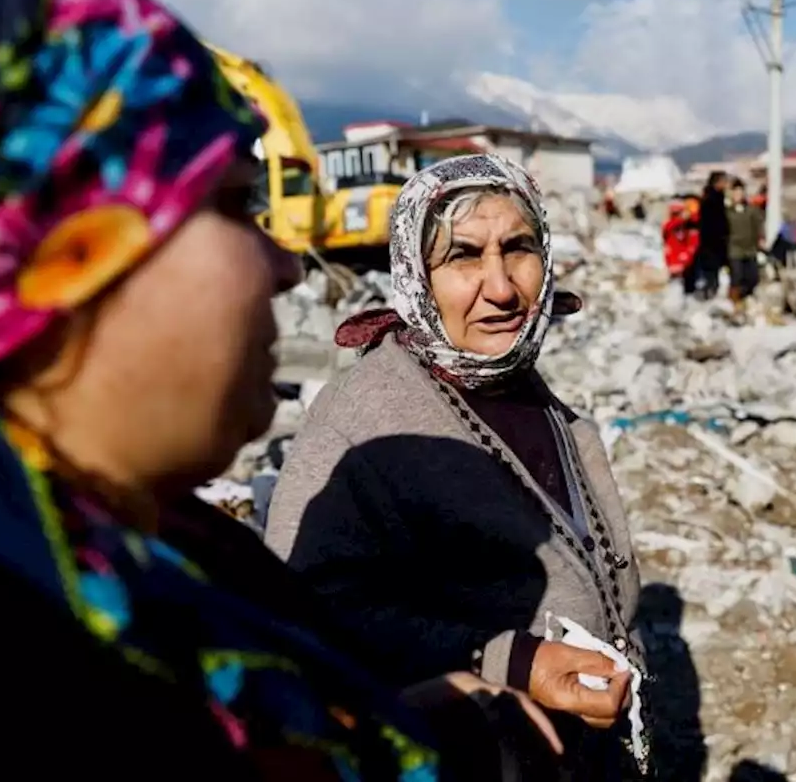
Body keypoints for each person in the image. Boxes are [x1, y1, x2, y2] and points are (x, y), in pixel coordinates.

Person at [0, 0, 560, 780]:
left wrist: (398, 727)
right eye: (230, 202)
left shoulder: (169, 557)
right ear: (49, 250)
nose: (288, 265)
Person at [267, 154, 650, 780]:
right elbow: (314, 610)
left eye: (519, 249)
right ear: (415, 274)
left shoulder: (525, 387)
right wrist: (510, 663)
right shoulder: (365, 416)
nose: (501, 288)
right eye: (463, 257)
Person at [684, 171, 729, 298]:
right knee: (710, 273)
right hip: (711, 243)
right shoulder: (710, 201)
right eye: (723, 182)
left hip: (715, 243)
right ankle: (707, 295)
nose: (725, 185)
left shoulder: (717, 198)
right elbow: (711, 224)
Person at [724, 178, 763, 302]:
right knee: (737, 277)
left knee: (753, 277)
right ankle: (735, 301)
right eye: (735, 192)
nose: (738, 195)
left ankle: (747, 298)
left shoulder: (751, 210)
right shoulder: (727, 212)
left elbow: (757, 227)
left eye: (740, 192)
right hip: (734, 249)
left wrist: (759, 242)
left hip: (750, 248)